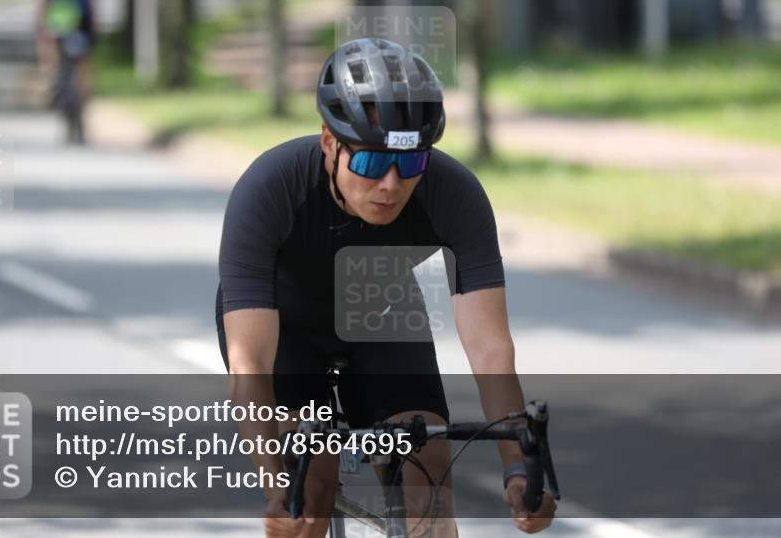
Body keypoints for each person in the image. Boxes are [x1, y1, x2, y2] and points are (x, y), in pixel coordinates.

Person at [217, 38, 557, 537]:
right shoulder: (270, 188)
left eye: (412, 163)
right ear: (330, 144)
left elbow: (491, 351)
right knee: (307, 496)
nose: (391, 185)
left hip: (382, 319)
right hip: (285, 330)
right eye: (373, 163)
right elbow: (250, 363)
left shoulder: (455, 194)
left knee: (428, 490)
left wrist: (517, 471)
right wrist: (275, 489)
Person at [35, 0, 95, 144]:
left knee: (61, 72)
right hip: (82, 30)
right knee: (82, 75)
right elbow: (92, 4)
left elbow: (43, 8)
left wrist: (42, 37)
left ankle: (68, 121)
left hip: (59, 30)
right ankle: (82, 120)